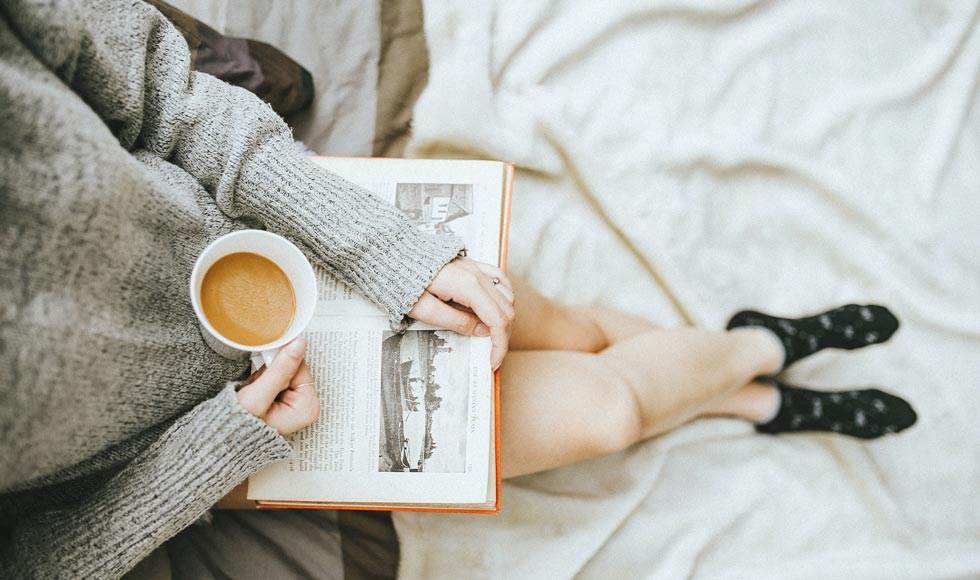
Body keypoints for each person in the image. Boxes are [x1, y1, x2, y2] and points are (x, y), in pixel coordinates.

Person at [0, 1, 512, 578]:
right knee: (610, 410)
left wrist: (381, 246)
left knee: (505, 311)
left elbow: (154, 82)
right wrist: (212, 455)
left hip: (265, 229)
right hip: (191, 444)